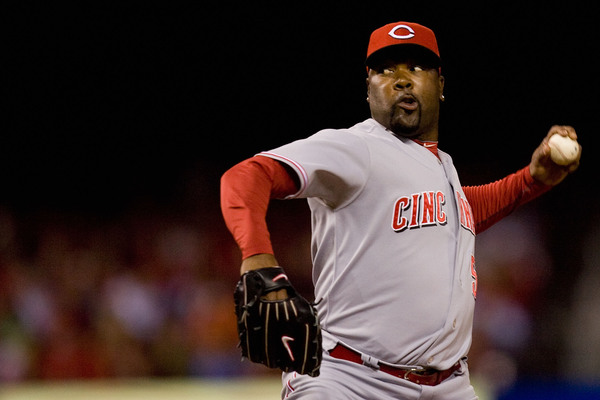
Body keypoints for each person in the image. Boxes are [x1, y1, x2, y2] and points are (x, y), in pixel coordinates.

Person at [220, 21, 581, 399]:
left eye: (416, 67)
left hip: (448, 385)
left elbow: (459, 212)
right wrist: (258, 258)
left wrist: (531, 180)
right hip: (349, 380)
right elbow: (247, 176)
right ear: (368, 86)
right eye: (386, 69)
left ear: (441, 84)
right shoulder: (356, 148)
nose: (403, 80)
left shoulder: (441, 165)